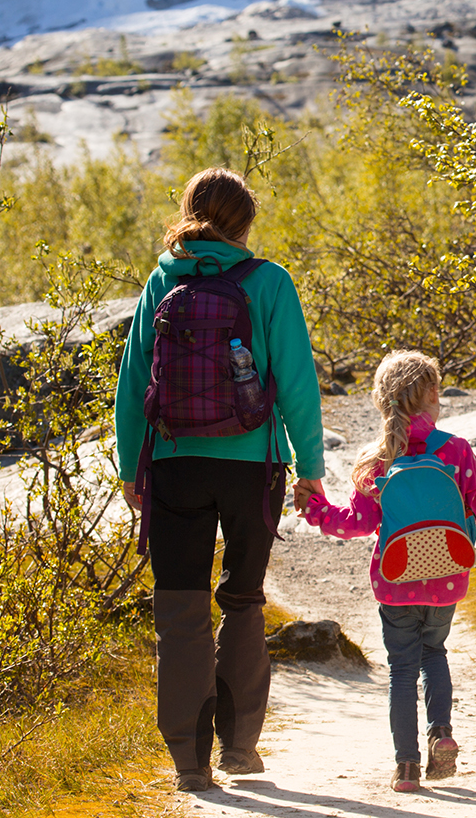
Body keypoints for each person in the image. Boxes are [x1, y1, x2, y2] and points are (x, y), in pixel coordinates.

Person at [115, 167, 326, 793]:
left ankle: (189, 763)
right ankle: (239, 748)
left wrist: (133, 468)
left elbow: (132, 384)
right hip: (252, 466)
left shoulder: (162, 280)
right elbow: (296, 383)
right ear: (246, 223)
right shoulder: (269, 282)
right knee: (242, 601)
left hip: (175, 462)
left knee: (179, 611)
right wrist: (310, 470)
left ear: (188, 212)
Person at [295, 351, 476, 793]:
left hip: (395, 581)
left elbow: (356, 523)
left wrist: (315, 508)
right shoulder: (456, 450)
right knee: (435, 654)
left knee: (402, 671)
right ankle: (441, 734)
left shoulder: (378, 459)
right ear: (430, 395)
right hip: (448, 579)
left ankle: (406, 768)